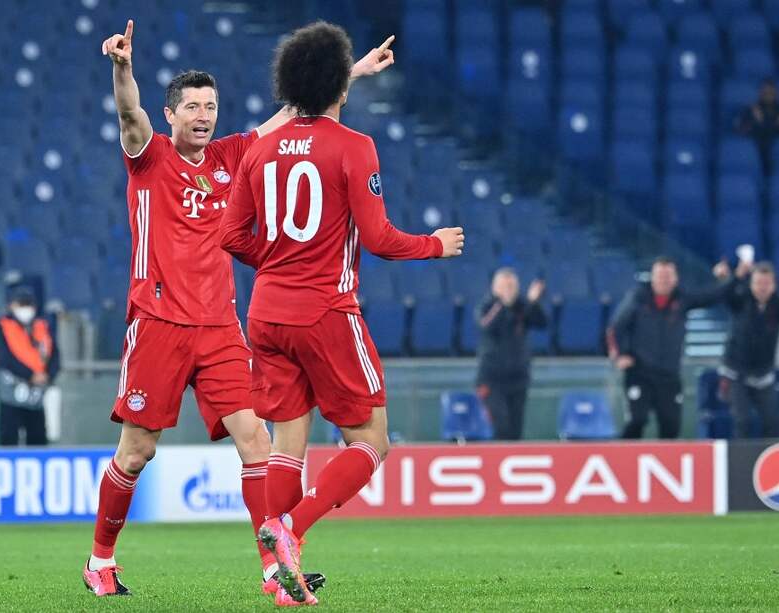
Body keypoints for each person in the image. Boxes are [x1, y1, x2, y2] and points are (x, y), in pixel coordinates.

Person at [84, 19, 394, 601]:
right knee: (138, 450)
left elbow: (292, 118)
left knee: (257, 441)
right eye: (193, 107)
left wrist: (347, 74)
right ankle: (101, 559)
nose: (204, 115)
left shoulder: (233, 156)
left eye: (212, 105)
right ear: (171, 115)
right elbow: (129, 115)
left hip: (222, 329)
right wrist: (122, 69)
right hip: (157, 324)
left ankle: (276, 568)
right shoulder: (147, 156)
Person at [220, 22, 464, 604]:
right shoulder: (354, 147)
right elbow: (378, 238)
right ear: (341, 87)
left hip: (267, 314)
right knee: (372, 440)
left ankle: (279, 580)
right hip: (325, 311)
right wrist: (434, 244)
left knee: (287, 444)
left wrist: (277, 262)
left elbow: (231, 234)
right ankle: (292, 528)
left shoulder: (261, 149)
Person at [607, 257, 734, 439]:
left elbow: (711, 296)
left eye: (668, 276)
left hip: (669, 375)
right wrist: (620, 354)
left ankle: (669, 463)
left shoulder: (682, 300)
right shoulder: (638, 297)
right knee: (637, 420)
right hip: (639, 373)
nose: (664, 280)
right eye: (660, 276)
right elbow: (615, 327)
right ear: (652, 277)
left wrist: (726, 279)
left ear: (675, 279)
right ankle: (623, 461)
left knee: (671, 425)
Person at [719, 261, 779, 438]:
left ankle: (769, 462)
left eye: (767, 283)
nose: (762, 288)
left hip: (763, 374)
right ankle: (740, 462)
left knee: (772, 421)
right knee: (742, 421)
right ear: (751, 284)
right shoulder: (740, 300)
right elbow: (724, 294)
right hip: (736, 374)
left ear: (774, 285)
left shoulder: (778, 304)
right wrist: (728, 278)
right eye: (758, 283)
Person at [475, 268, 546, 441]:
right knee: (500, 426)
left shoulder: (522, 306)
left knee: (515, 429)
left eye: (512, 285)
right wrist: (502, 304)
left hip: (518, 378)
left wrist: (533, 302)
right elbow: (486, 325)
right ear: (495, 287)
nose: (509, 290)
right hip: (492, 379)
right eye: (504, 286)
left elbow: (541, 322)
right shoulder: (487, 306)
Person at [0, 286, 59, 446]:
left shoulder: (43, 327)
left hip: (37, 394)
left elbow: (55, 356)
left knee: (38, 436)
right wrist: (29, 375)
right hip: (11, 393)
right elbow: (3, 358)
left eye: (28, 304)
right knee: (8, 435)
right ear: (11, 306)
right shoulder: (3, 326)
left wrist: (47, 375)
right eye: (21, 304)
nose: (25, 309)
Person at [735, 78, 779, 175]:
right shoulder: (753, 109)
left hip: (777, 153)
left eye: (771, 92)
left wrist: (762, 123)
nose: (768, 94)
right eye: (765, 91)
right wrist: (775, 124)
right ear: (760, 92)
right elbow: (742, 129)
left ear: (776, 93)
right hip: (756, 150)